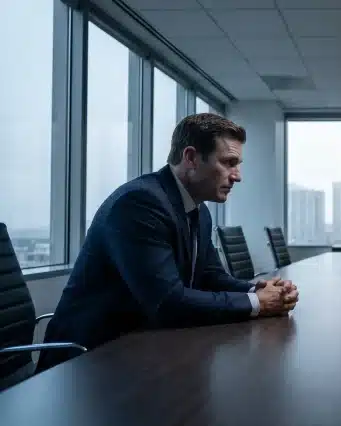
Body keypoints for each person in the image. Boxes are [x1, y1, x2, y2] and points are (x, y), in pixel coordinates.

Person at [36, 114, 299, 372]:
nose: (237, 176)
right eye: (228, 163)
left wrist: (258, 289)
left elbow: (211, 277)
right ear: (191, 158)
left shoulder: (198, 211)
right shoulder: (140, 203)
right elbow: (167, 302)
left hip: (142, 349)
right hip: (88, 361)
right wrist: (257, 303)